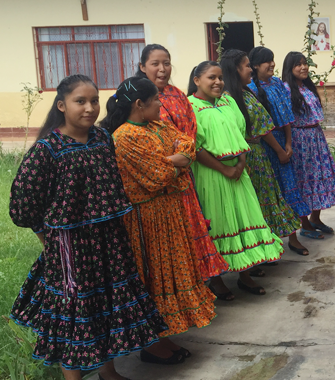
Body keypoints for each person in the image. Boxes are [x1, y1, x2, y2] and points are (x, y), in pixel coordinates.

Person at [8, 74, 166, 380]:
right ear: (62, 106)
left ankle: (109, 372)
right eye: (80, 101)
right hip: (71, 249)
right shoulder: (47, 150)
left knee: (105, 305)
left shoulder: (102, 139)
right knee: (75, 313)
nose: (90, 108)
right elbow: (24, 205)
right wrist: (49, 240)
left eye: (94, 100)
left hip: (110, 242)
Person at [101, 76, 216, 364]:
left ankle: (164, 335)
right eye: (155, 101)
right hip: (147, 222)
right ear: (139, 104)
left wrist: (176, 159)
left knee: (174, 275)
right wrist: (175, 163)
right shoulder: (124, 137)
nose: (160, 105)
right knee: (156, 278)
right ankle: (152, 345)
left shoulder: (156, 125)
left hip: (169, 214)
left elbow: (187, 143)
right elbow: (157, 177)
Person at [188, 60, 284, 299]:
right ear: (197, 80)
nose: (218, 82)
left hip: (239, 173)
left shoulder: (229, 102)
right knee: (220, 223)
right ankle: (217, 280)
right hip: (211, 175)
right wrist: (223, 169)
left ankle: (245, 274)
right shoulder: (189, 107)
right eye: (211, 77)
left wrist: (240, 164)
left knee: (244, 219)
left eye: (220, 77)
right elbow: (195, 147)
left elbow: (241, 134)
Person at [137, 43, 229, 280]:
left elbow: (190, 131)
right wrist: (170, 160)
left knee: (192, 229)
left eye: (166, 63)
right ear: (142, 67)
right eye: (155, 64)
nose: (162, 69)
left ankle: (204, 281)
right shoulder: (137, 97)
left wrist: (183, 156)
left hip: (184, 173)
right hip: (156, 182)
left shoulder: (177, 94)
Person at [220, 49, 301, 242]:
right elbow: (260, 130)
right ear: (236, 70)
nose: (250, 70)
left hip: (259, 157)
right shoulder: (228, 99)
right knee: (254, 203)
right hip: (247, 158)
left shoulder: (245, 93)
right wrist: (280, 150)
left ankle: (266, 244)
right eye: (247, 66)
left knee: (267, 199)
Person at [247, 46, 314, 256]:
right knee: (269, 194)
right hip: (266, 146)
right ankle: (270, 242)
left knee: (289, 189)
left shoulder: (276, 83)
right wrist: (278, 150)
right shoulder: (251, 89)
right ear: (255, 65)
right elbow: (261, 125)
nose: (272, 64)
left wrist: (288, 144)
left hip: (283, 143)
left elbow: (286, 115)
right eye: (267, 61)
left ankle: (293, 238)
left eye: (273, 60)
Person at [281, 52, 335, 239]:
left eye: (305, 64)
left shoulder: (307, 87)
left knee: (319, 178)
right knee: (303, 181)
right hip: (300, 140)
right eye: (298, 65)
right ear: (290, 68)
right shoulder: (286, 89)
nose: (303, 67)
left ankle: (315, 219)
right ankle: (305, 225)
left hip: (315, 138)